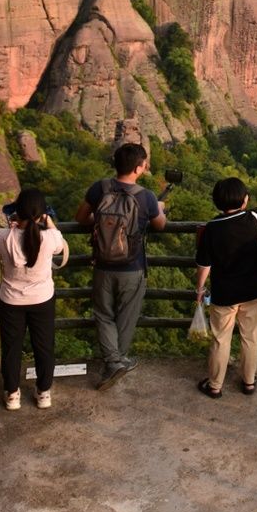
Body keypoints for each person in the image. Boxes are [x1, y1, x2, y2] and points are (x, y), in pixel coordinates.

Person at [74, 142, 166, 390]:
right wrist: (160, 208)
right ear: (138, 168)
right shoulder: (145, 196)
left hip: (103, 264)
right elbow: (160, 225)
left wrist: (102, 223)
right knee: (127, 314)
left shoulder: (100, 188)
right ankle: (118, 361)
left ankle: (114, 362)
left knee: (103, 314)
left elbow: (81, 218)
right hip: (132, 267)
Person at [194, 174, 257, 398]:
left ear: (217, 202)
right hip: (253, 290)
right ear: (245, 200)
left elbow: (204, 265)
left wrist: (200, 289)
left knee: (221, 339)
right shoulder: (254, 218)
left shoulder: (212, 228)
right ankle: (249, 382)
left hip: (224, 294)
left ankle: (215, 386)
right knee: (251, 337)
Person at [0, 187, 68, 411]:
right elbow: (58, 242)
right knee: (44, 347)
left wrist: (13, 226)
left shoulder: (2, 237)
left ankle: (12, 395)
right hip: (42, 300)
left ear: (18, 211)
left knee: (11, 348)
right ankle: (44, 393)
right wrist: (48, 220)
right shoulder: (49, 238)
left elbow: (4, 248)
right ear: (41, 215)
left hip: (10, 301)